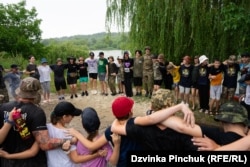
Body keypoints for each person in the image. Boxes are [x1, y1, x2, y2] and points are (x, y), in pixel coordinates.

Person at [0, 77, 78, 167]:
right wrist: (71, 140)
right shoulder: (37, 112)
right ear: (36, 93)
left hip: (6, 162)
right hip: (30, 162)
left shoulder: (3, 107)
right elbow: (44, 144)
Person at [110, 89, 198, 151]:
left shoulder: (141, 126)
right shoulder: (186, 129)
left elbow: (114, 127)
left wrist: (117, 117)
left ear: (152, 106)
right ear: (172, 107)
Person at [46, 101, 82, 167]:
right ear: (64, 117)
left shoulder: (46, 128)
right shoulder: (69, 134)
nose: (73, 117)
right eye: (72, 115)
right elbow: (75, 159)